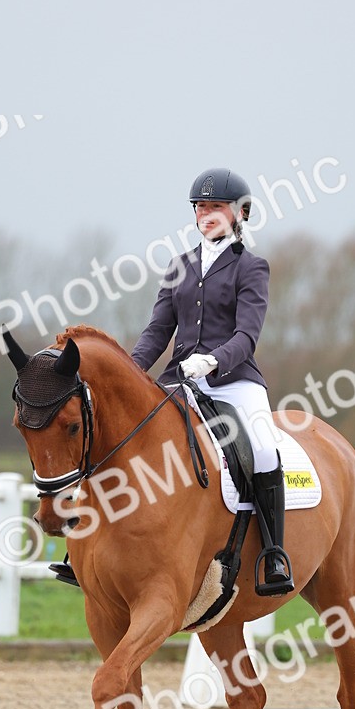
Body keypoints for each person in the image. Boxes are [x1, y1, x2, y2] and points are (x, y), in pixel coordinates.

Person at [130, 167, 294, 596]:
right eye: (200, 207)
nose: (205, 214)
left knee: (261, 447)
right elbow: (156, 332)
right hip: (181, 380)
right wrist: (129, 373)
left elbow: (247, 336)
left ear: (239, 214)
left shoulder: (252, 268)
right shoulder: (179, 266)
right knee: (125, 436)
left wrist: (213, 362)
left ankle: (275, 553)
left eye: (215, 207)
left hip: (234, 381)